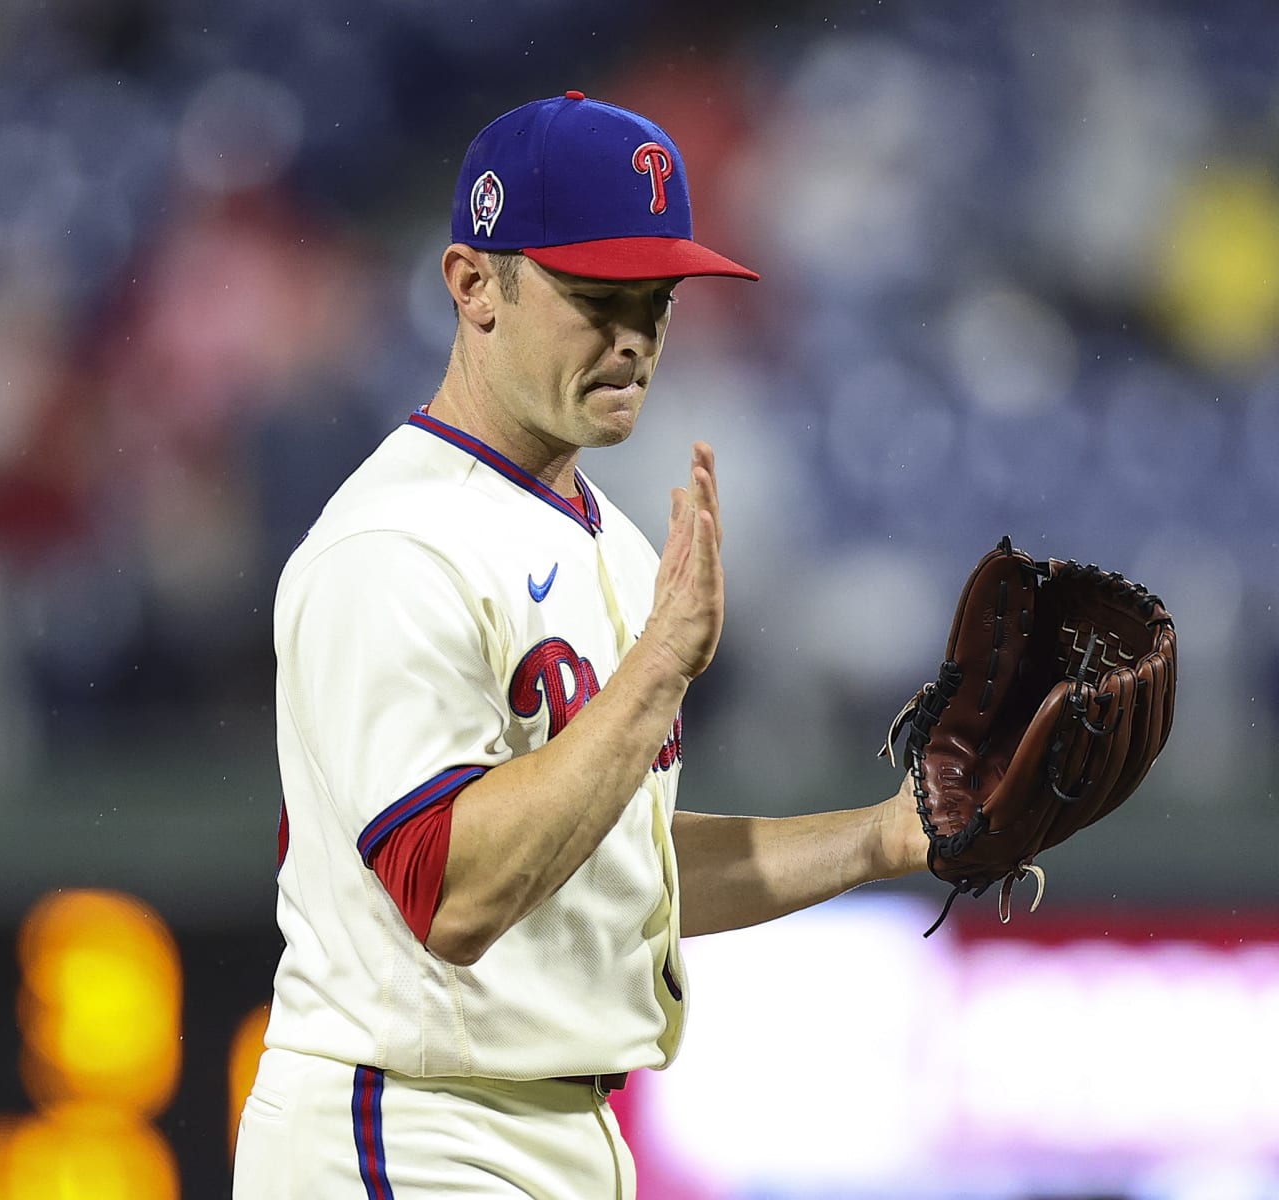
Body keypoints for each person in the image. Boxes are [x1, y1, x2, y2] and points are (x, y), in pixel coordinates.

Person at [233, 91, 932, 1200]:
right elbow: (452, 897)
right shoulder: (393, 544)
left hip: (554, 1134)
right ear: (474, 286)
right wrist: (657, 671)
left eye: (655, 302)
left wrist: (886, 838)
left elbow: (618, 873)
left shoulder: (607, 543)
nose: (634, 338)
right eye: (596, 296)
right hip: (407, 1131)